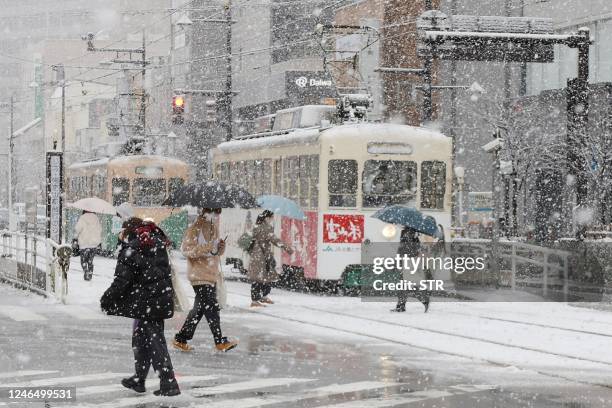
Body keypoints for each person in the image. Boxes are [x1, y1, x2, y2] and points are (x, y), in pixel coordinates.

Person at [100, 217, 180, 397]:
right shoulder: (155, 242)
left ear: (128, 232)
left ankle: (168, 382)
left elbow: (122, 281)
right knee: (142, 339)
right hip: (157, 299)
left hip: (147, 302)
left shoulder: (133, 248)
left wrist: (106, 300)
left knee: (154, 341)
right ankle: (139, 378)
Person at [173, 208, 237, 352]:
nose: (216, 215)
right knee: (211, 307)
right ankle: (219, 341)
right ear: (206, 211)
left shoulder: (213, 226)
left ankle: (181, 338)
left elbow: (216, 253)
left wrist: (220, 247)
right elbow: (187, 250)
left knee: (199, 309)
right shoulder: (194, 228)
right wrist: (209, 246)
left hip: (211, 273)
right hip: (199, 275)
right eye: (214, 211)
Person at [248, 210, 293, 307]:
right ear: (267, 218)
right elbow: (275, 240)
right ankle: (255, 300)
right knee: (260, 278)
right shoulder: (265, 228)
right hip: (261, 256)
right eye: (272, 217)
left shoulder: (258, 226)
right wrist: (287, 248)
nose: (272, 219)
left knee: (264, 277)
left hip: (259, 255)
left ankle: (262, 297)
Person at [392, 227, 430, 313]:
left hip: (408, 262)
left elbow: (402, 249)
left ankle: (424, 300)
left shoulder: (407, 233)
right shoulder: (413, 234)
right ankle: (401, 306)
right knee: (403, 285)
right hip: (409, 261)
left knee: (406, 285)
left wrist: (398, 260)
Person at [74, 210, 102, 281]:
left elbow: (77, 229)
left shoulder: (82, 218)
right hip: (93, 244)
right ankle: (90, 274)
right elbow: (100, 230)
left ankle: (86, 271)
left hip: (84, 243)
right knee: (90, 260)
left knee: (83, 260)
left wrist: (75, 238)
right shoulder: (96, 218)